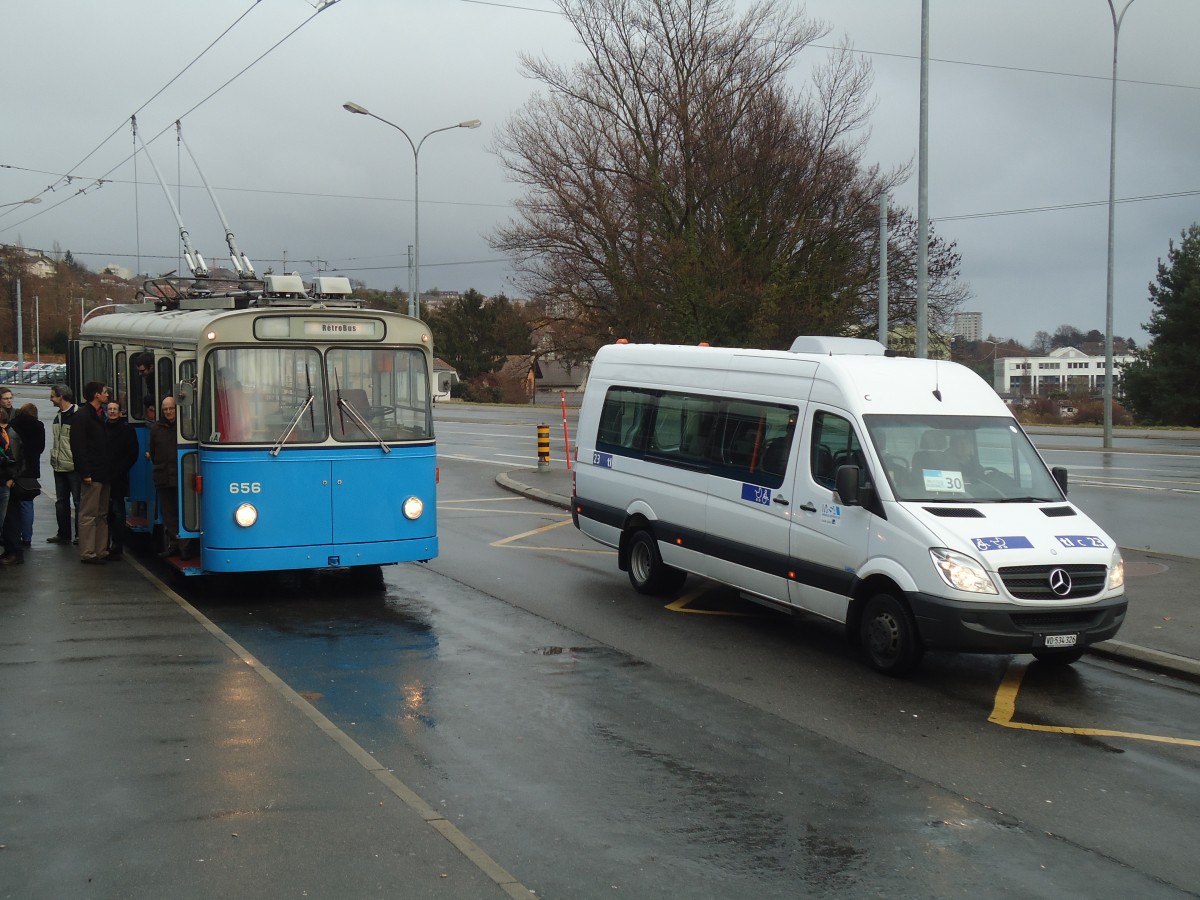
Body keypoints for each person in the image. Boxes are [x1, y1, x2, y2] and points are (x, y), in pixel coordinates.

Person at [69, 382, 113, 564]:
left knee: (102, 513)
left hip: (103, 473)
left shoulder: (98, 415)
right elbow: (78, 447)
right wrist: (85, 472)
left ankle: (101, 549)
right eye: (105, 392)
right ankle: (88, 552)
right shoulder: (82, 416)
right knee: (89, 514)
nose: (107, 395)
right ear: (96, 395)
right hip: (92, 474)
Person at [148, 396, 192, 560]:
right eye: (165, 409)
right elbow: (152, 452)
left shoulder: (186, 425)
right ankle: (174, 544)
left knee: (184, 512)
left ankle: (185, 547)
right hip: (163, 476)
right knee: (169, 514)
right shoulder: (156, 428)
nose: (168, 412)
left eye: (171, 408)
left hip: (183, 477)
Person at [105, 400, 140, 561]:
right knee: (105, 512)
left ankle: (117, 544)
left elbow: (132, 454)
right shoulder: (102, 428)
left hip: (118, 477)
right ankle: (104, 542)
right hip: (104, 477)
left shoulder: (127, 430)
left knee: (118, 512)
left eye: (114, 409)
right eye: (110, 409)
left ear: (120, 413)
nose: (112, 412)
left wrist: (120, 470)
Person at [47, 384, 81, 545]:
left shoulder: (77, 416)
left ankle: (80, 535)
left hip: (74, 467)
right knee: (61, 502)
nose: (51, 399)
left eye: (53, 396)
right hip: (59, 466)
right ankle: (64, 533)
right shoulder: (58, 417)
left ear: (61, 396)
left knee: (78, 502)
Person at [12, 402, 45, 548]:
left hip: (13, 469)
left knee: (12, 506)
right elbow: (40, 448)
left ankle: (13, 534)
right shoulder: (38, 426)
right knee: (27, 504)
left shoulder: (13, 424)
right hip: (30, 470)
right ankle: (27, 537)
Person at [0, 407, 25, 566]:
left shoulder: (10, 436)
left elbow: (16, 460)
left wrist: (12, 478)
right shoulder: (8, 434)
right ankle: (10, 550)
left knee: (10, 519)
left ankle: (15, 552)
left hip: (8, 482)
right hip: (7, 481)